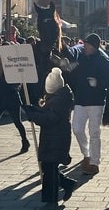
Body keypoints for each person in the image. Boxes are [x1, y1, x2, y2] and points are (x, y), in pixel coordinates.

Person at [22, 67, 77, 204]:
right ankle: (66, 183)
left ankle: (51, 201)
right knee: (48, 167)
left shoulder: (59, 100)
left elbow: (50, 118)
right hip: (53, 137)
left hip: (56, 138)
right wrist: (34, 110)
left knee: (50, 170)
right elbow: (46, 113)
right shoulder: (58, 97)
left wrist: (33, 115)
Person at [66, 33, 109, 175]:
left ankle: (94, 162)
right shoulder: (80, 57)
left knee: (94, 132)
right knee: (77, 129)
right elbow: (72, 72)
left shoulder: (104, 60)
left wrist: (98, 83)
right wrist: (66, 67)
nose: (85, 47)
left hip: (96, 101)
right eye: (85, 44)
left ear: (94, 46)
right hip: (80, 99)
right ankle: (86, 154)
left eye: (87, 45)